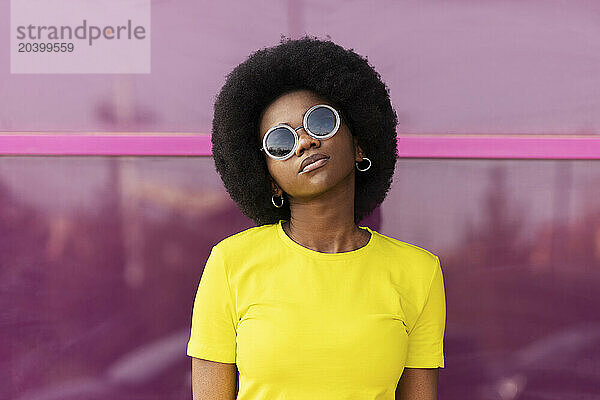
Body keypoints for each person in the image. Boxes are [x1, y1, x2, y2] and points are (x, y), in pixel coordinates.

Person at [187, 34, 446, 400]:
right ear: (270, 180)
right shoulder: (230, 264)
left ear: (358, 144)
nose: (305, 142)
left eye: (320, 122)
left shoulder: (419, 272)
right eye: (281, 142)